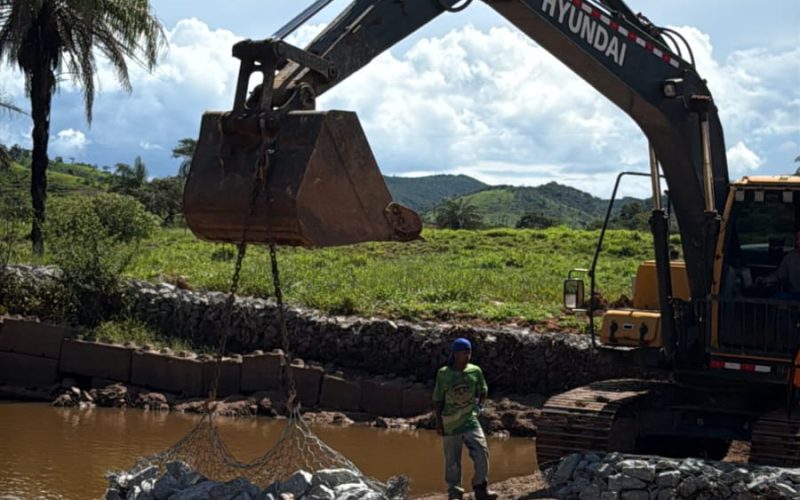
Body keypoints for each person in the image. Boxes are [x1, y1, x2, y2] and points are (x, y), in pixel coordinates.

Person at [433, 338, 498, 500]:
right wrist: (439, 423)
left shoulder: (475, 371)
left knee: (482, 453)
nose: (467, 356)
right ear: (455, 354)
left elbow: (483, 391)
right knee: (452, 460)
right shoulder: (444, 374)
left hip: (470, 420)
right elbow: (438, 399)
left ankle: (480, 487)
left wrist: (479, 407)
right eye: (463, 353)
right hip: (450, 423)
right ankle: (454, 492)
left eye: (469, 352)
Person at [775, 229, 800, 298]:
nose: (797, 242)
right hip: (794, 296)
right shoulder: (790, 256)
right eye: (797, 239)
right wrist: (766, 280)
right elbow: (780, 275)